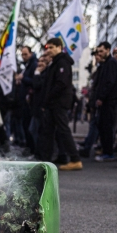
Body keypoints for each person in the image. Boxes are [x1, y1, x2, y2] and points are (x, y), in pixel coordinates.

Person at [37, 38, 82, 170]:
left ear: (59, 47)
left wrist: (48, 98)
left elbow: (61, 84)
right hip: (53, 103)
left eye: (51, 47)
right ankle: (46, 160)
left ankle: (75, 159)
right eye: (47, 48)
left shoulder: (62, 62)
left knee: (63, 130)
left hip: (58, 103)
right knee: (49, 131)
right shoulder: (56, 63)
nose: (48, 50)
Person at [94, 41, 117, 162]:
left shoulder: (110, 63)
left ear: (107, 50)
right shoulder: (106, 64)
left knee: (107, 126)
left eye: (101, 51)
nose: (99, 54)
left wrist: (101, 97)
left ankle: (108, 152)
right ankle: (107, 150)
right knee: (104, 126)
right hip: (107, 100)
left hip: (109, 100)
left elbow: (109, 83)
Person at [17, 46, 38, 151]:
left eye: (25, 54)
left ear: (30, 53)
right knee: (25, 125)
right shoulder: (28, 65)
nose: (23, 56)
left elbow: (34, 81)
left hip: (30, 102)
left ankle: (33, 149)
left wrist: (23, 78)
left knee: (29, 126)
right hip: (25, 101)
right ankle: (30, 148)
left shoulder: (34, 64)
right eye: (22, 54)